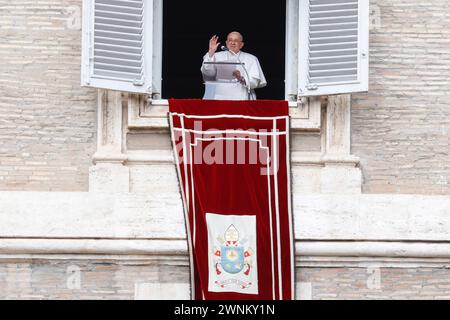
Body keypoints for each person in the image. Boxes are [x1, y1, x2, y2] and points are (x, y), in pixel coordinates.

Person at [201, 32, 267, 100]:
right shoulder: (216, 56)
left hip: (241, 98)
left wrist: (241, 78)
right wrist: (211, 52)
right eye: (230, 40)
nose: (232, 43)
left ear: (241, 45)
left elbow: (255, 81)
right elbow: (208, 73)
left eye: (236, 41)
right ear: (226, 43)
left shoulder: (251, 58)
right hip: (219, 97)